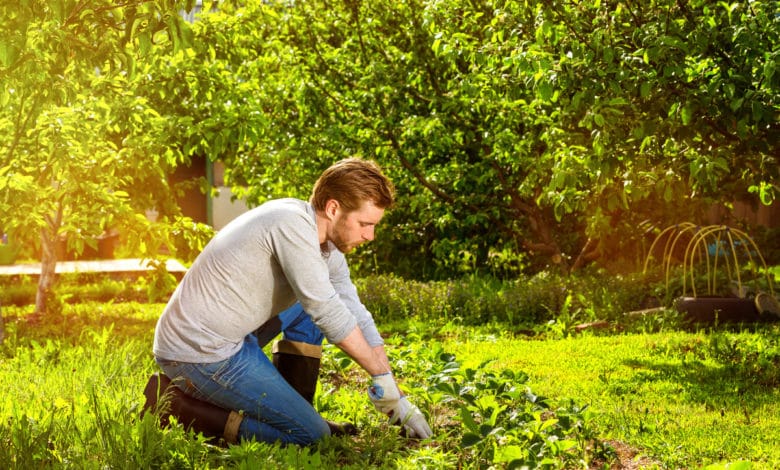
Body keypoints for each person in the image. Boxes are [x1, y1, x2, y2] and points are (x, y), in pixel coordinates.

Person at [149, 158, 432, 445]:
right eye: (364, 224)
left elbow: (353, 311)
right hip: (199, 352)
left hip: (235, 335)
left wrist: (395, 395)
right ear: (333, 209)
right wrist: (380, 376)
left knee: (313, 310)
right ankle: (176, 406)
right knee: (313, 437)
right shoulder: (290, 225)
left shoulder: (325, 246)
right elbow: (328, 313)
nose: (369, 236)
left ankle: (296, 413)